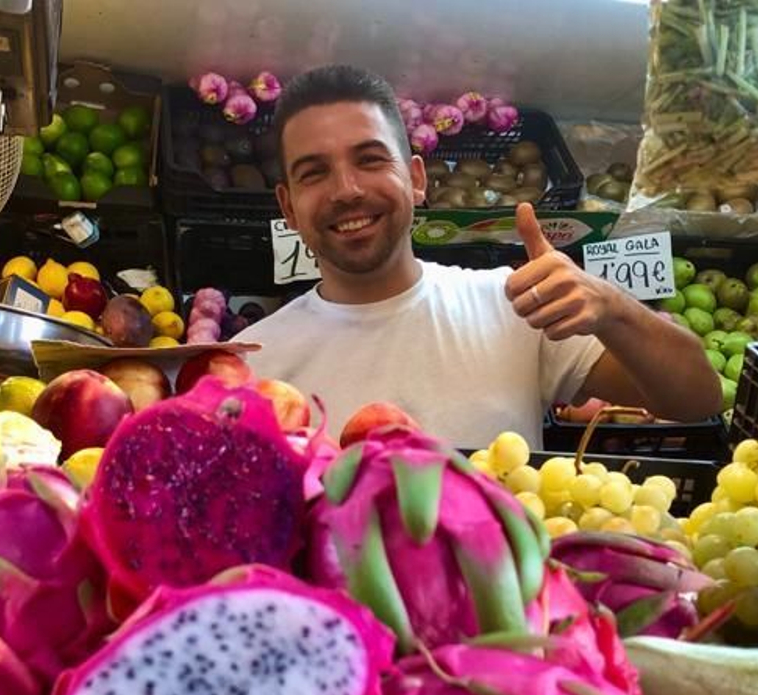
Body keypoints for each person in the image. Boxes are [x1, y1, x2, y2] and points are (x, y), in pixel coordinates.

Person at [243, 64, 723, 448]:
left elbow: (697, 399)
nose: (346, 190)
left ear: (416, 178)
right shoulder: (252, 367)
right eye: (314, 173)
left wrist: (613, 310)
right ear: (288, 206)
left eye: (370, 160)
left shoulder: (513, 304)